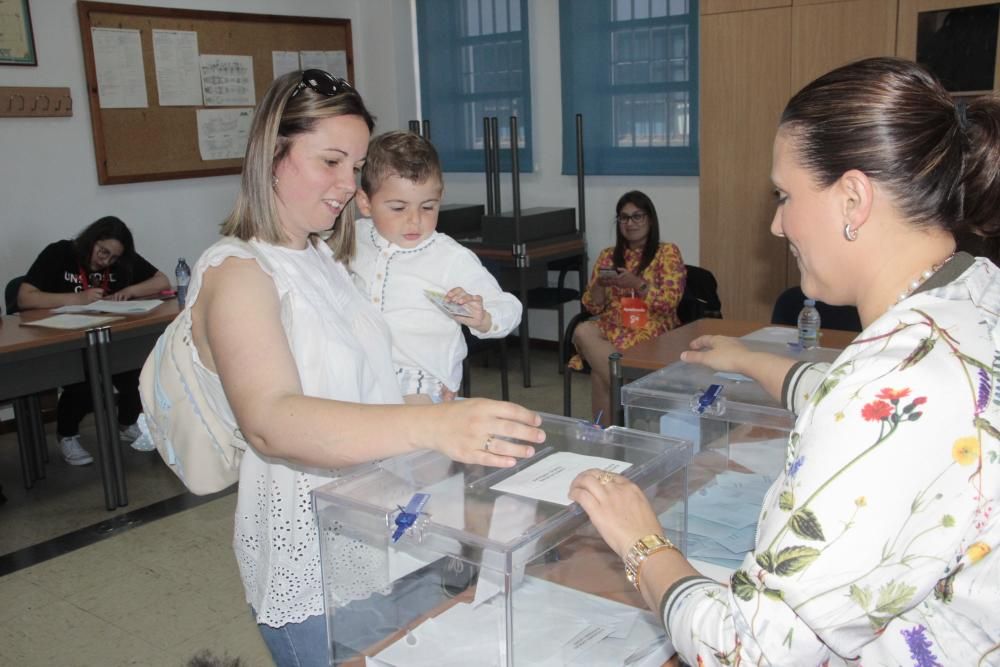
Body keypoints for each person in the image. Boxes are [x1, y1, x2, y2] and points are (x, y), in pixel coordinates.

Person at [570, 57, 1000, 665]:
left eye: (785, 195)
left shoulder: (891, 374)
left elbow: (747, 650)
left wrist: (641, 541)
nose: (776, 224)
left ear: (852, 199)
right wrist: (748, 360)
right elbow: (871, 402)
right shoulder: (976, 292)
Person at [173, 70, 544, 666]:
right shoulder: (239, 272)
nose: (349, 186)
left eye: (356, 166)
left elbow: (363, 392)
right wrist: (431, 427)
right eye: (331, 162)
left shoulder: (323, 257)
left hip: (390, 530)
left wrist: (434, 411)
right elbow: (274, 421)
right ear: (273, 155)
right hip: (312, 560)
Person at [350, 130, 521, 401]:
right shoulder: (354, 237)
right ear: (365, 203)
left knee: (411, 434)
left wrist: (484, 318)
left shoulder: (450, 258)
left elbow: (509, 307)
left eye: (427, 207)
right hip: (360, 368)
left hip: (420, 373)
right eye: (398, 208)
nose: (415, 221)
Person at [18, 216, 170, 465]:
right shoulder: (59, 253)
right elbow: (25, 298)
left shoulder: (120, 260)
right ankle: (67, 434)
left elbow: (161, 281)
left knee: (137, 370)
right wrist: (76, 299)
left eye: (113, 258)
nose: (105, 260)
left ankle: (127, 423)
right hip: (61, 341)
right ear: (91, 240)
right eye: (103, 252)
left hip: (107, 340)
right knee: (85, 381)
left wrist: (129, 291)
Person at [570, 191, 686, 425]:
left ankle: (606, 434)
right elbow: (592, 306)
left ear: (650, 219)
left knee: (599, 373)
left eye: (637, 217)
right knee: (582, 330)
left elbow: (670, 302)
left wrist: (638, 284)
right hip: (613, 327)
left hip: (653, 330)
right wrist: (601, 286)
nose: (630, 223)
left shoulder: (667, 253)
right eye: (624, 218)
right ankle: (627, 392)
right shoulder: (607, 256)